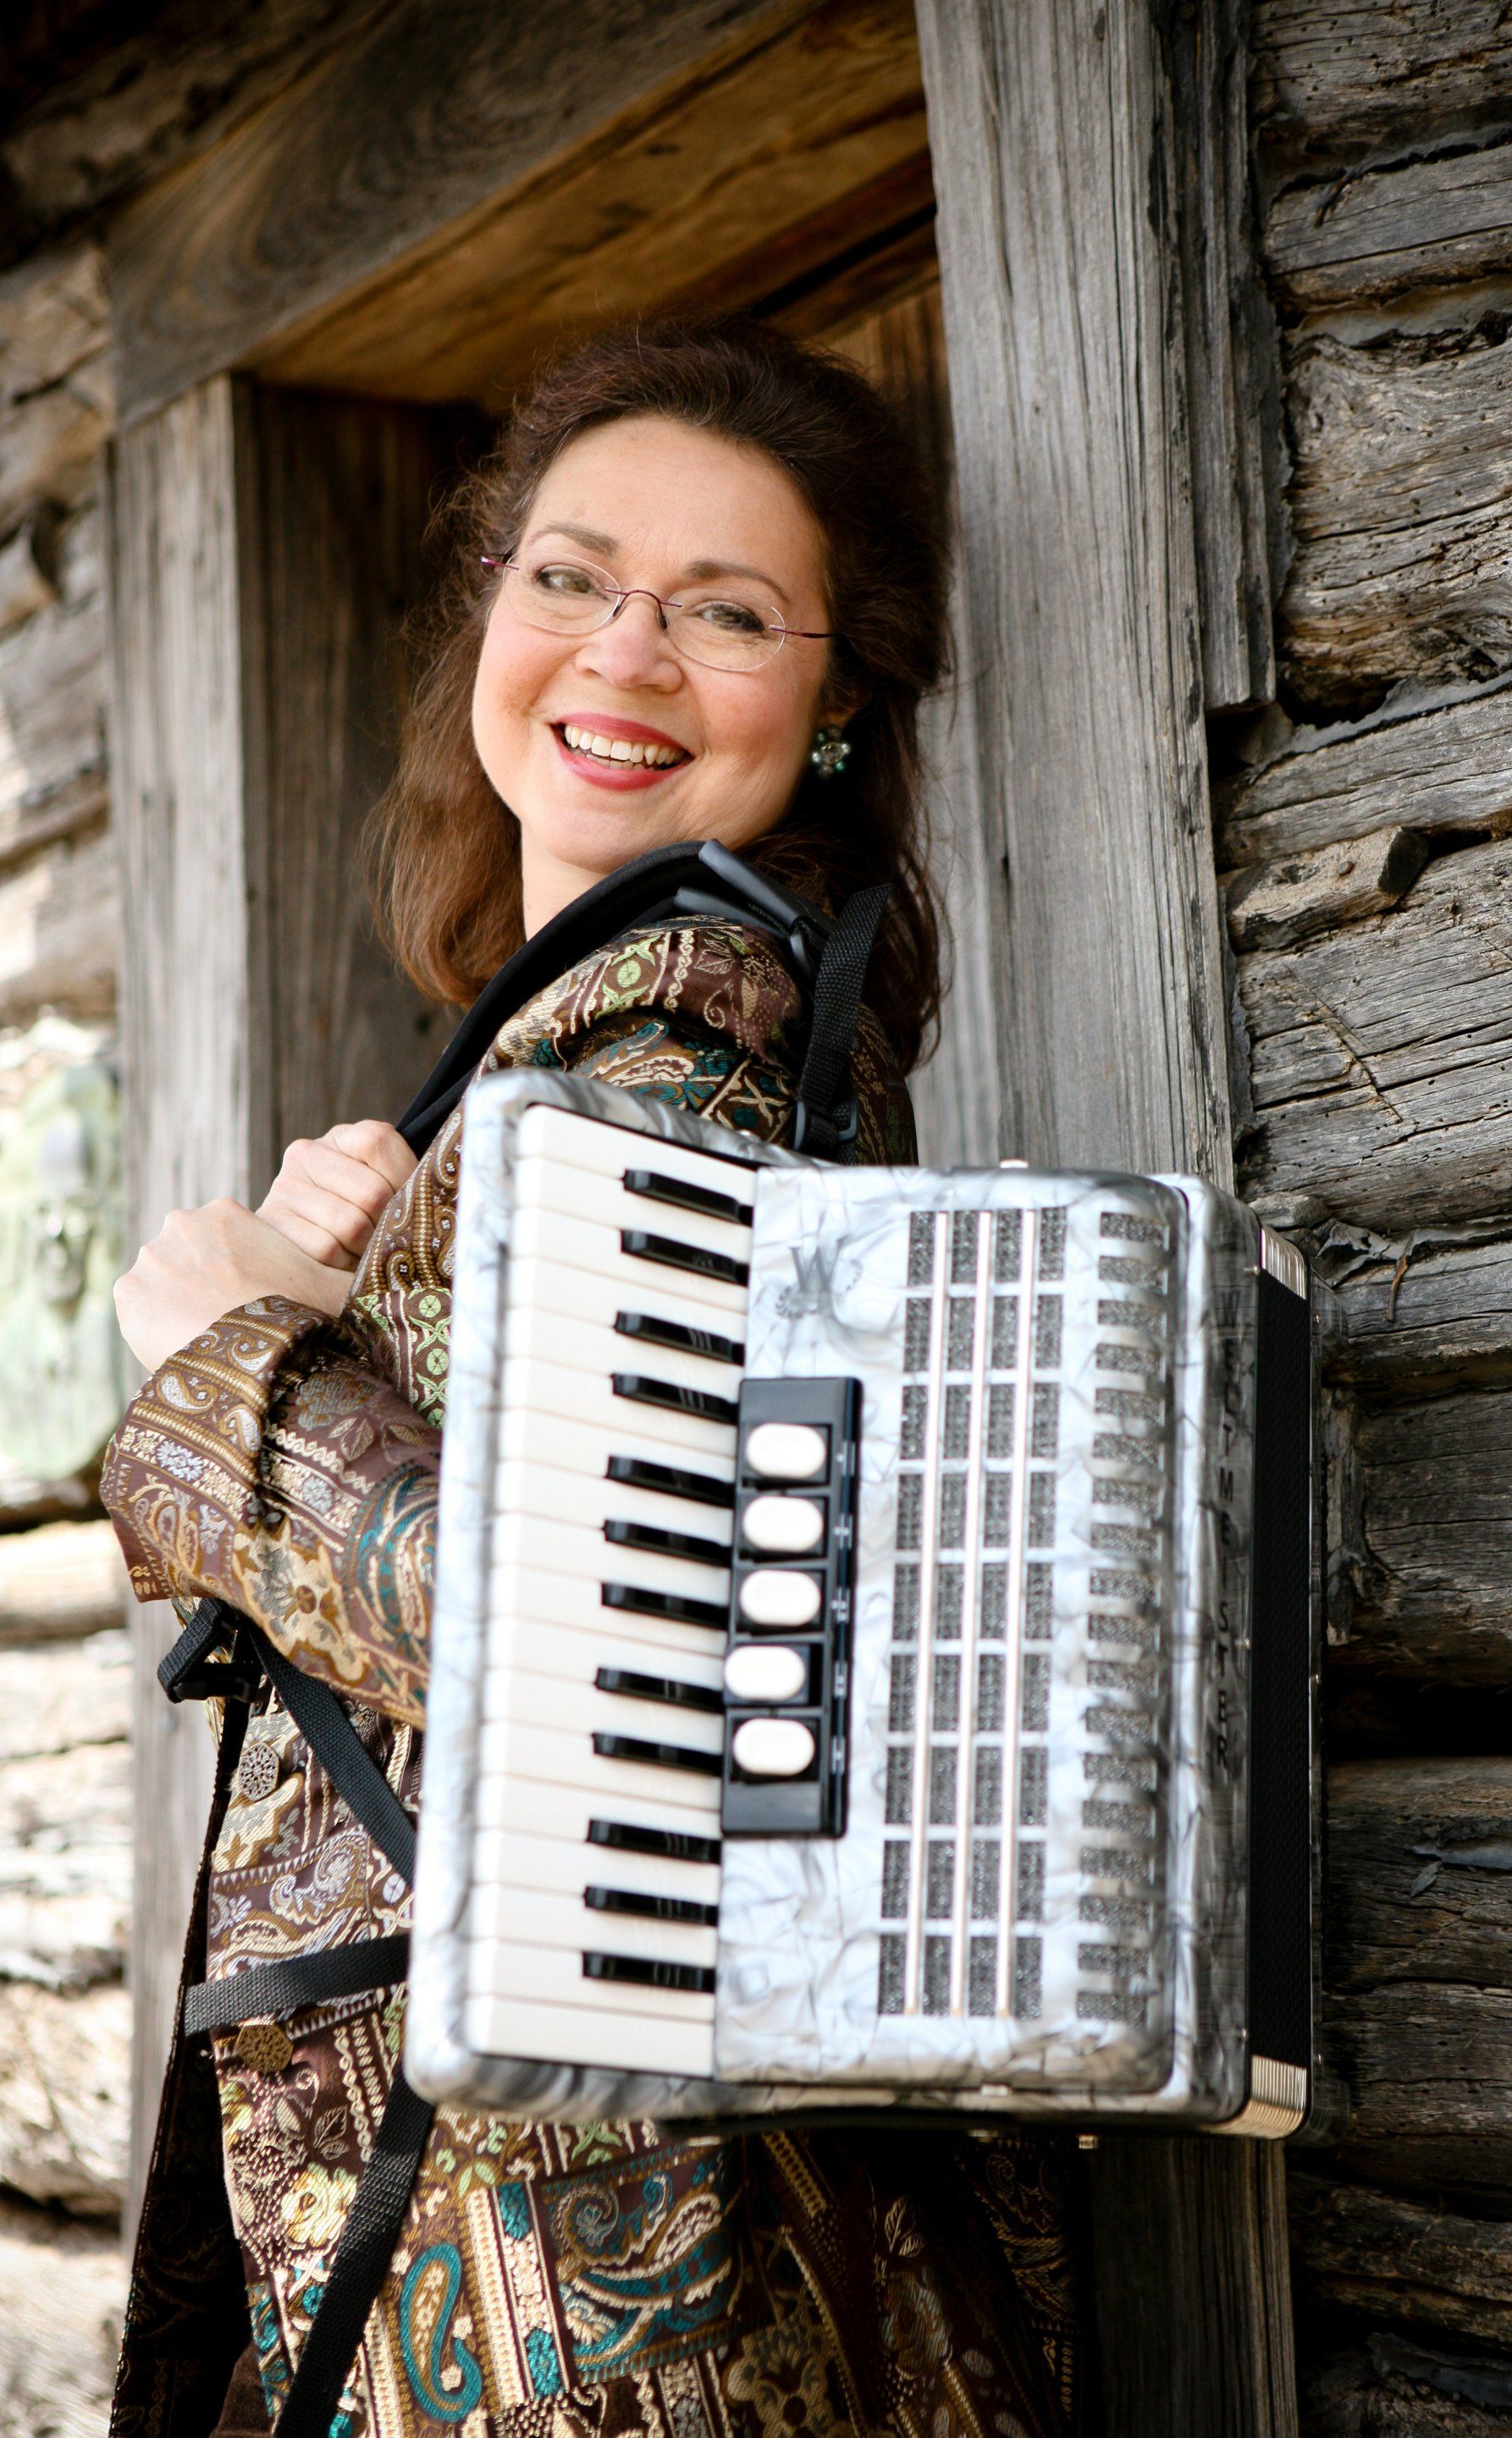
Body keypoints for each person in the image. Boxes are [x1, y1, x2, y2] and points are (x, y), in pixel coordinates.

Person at [102, 320, 1085, 2438]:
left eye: (724, 613)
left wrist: (231, 1352)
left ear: (835, 709)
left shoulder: (681, 1061)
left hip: (622, 2281)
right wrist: (352, 1292)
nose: (623, 653)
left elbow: (605, 1664)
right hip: (518, 2236)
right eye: (569, 576)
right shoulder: (573, 1058)